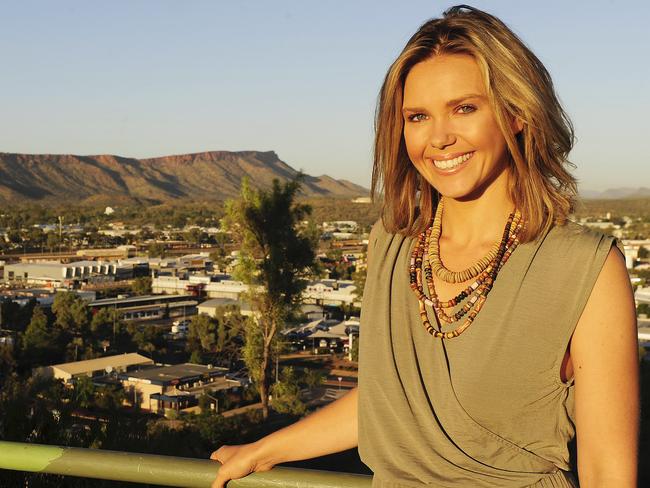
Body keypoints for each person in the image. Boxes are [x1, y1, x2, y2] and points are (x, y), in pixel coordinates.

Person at [209, 5, 639, 487]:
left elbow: (607, 470)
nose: (439, 138)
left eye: (465, 108)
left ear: (517, 113)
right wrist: (263, 451)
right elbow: (390, 400)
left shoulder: (584, 266)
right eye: (418, 116)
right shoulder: (392, 245)